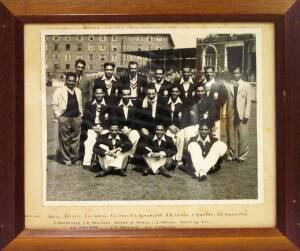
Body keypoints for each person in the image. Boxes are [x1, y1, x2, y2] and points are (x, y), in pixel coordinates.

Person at [175, 84, 215, 168]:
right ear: (195, 92)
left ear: (204, 91)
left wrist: (202, 124)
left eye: (202, 91)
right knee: (180, 135)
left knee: (191, 137)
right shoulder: (190, 101)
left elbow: (211, 116)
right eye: (198, 91)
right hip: (189, 125)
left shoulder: (209, 101)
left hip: (201, 126)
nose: (200, 93)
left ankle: (190, 160)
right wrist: (184, 127)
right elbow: (185, 115)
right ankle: (178, 159)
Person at [51, 72, 82, 165]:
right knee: (65, 139)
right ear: (66, 81)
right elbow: (54, 105)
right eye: (69, 81)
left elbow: (80, 104)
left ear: (75, 81)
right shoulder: (59, 91)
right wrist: (59, 116)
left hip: (76, 118)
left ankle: (74, 158)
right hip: (65, 117)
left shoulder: (78, 91)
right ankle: (66, 159)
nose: (71, 83)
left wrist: (81, 115)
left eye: (73, 81)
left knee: (75, 139)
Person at [226, 67, 252, 162]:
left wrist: (247, 114)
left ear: (240, 74)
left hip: (242, 113)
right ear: (232, 74)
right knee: (231, 134)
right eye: (234, 73)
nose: (236, 75)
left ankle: (242, 156)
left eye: (238, 73)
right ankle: (231, 155)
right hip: (231, 112)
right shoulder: (229, 85)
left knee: (243, 135)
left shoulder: (246, 85)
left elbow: (248, 101)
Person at [81, 87, 110, 168]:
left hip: (103, 128)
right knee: (90, 140)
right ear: (94, 94)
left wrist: (102, 127)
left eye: (101, 93)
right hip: (92, 127)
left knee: (104, 142)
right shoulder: (89, 104)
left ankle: (102, 163)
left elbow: (111, 119)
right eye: (97, 93)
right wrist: (93, 127)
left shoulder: (108, 104)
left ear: (104, 94)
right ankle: (86, 162)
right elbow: (86, 119)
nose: (99, 95)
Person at [111, 87, 140, 159]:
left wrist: (130, 128)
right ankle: (120, 156)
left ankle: (129, 156)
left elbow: (136, 119)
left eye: (128, 94)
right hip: (119, 129)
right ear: (121, 95)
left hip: (130, 129)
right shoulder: (116, 105)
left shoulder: (134, 105)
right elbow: (114, 119)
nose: (126, 96)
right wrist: (122, 129)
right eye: (124, 94)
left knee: (136, 135)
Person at [200, 66, 227, 139]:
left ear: (214, 73)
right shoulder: (201, 84)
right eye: (207, 72)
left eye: (210, 72)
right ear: (204, 73)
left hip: (215, 116)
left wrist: (215, 106)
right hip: (203, 117)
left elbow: (224, 97)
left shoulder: (219, 85)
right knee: (204, 138)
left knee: (215, 137)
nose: (209, 74)